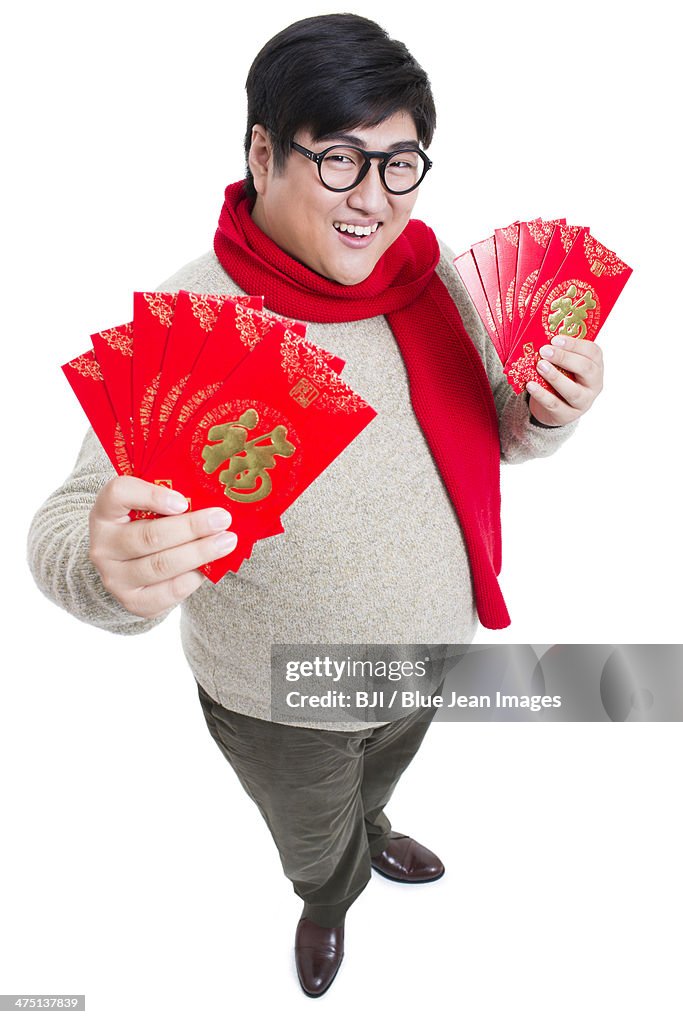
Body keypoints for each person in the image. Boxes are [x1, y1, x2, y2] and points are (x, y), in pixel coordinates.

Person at [27, 13, 603, 998]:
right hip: (275, 695)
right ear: (261, 152)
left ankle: (372, 829)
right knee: (310, 827)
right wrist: (101, 565)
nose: (373, 199)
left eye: (400, 163)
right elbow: (72, 520)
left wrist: (548, 408)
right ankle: (327, 898)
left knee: (379, 777)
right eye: (338, 160)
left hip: (427, 651)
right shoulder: (196, 322)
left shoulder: (433, 282)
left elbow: (496, 427)